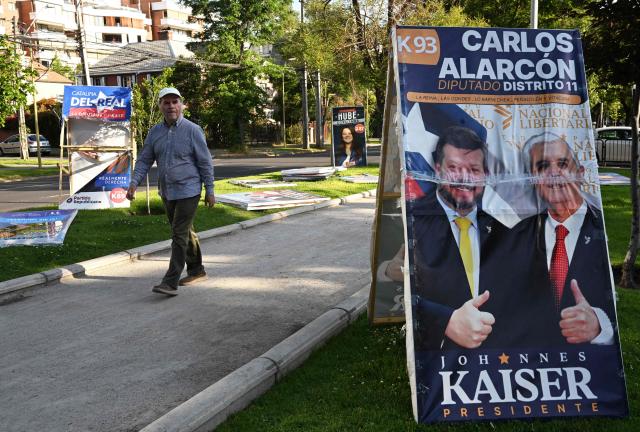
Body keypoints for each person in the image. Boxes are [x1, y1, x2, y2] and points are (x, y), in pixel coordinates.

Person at [410, 126, 510, 351]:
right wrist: (444, 321)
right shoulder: (413, 221)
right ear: (437, 170)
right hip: (437, 359)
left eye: (474, 169)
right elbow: (401, 290)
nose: (464, 178)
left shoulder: (506, 230)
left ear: (486, 175)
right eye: (453, 168)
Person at [523, 132, 614, 346]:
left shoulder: (601, 227)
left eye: (563, 164)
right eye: (543, 166)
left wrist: (600, 325)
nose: (554, 173)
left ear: (580, 173)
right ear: (532, 179)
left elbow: (613, 305)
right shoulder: (516, 236)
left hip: (588, 368)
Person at [126, 87, 215, 297]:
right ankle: (197, 270)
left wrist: (209, 189)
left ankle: (170, 281)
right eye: (166, 102)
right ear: (160, 106)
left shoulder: (193, 130)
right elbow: (145, 159)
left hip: (189, 189)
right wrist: (133, 182)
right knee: (185, 232)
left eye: (175, 102)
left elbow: (205, 162)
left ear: (182, 105)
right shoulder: (155, 132)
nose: (171, 106)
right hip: (167, 191)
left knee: (178, 234)